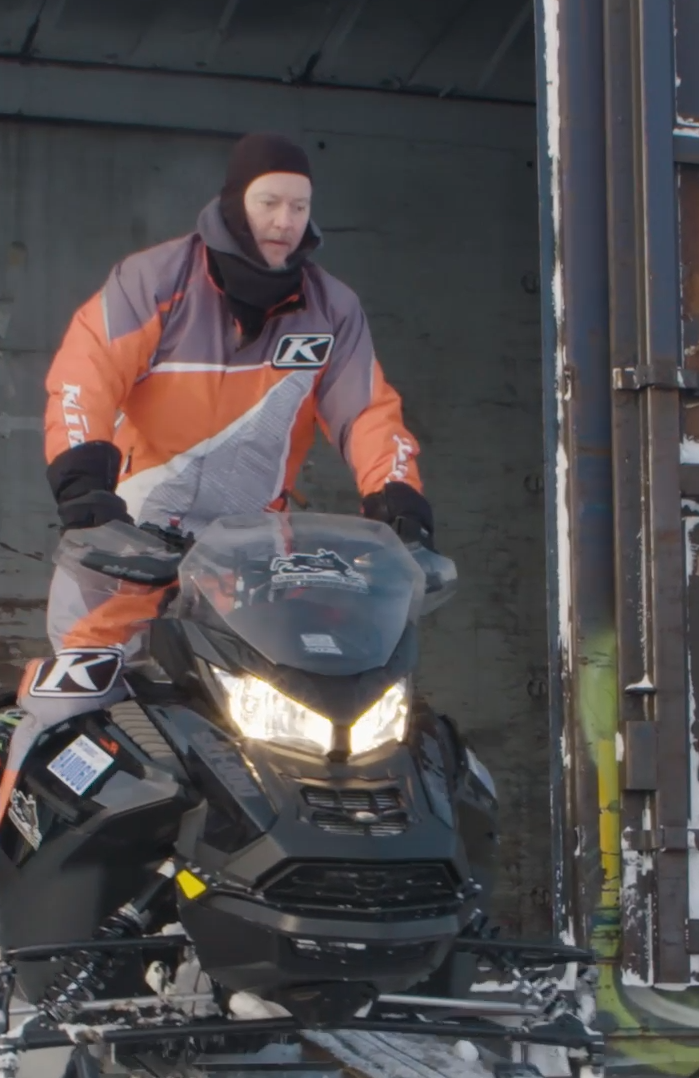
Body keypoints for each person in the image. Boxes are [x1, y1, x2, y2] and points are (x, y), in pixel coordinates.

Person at [26, 132, 430, 730]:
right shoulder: (155, 282)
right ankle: (5, 816)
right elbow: (85, 379)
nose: (284, 221)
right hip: (124, 546)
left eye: (299, 206)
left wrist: (400, 503)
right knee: (68, 711)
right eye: (269, 202)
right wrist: (85, 493)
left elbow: (368, 414)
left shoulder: (332, 309)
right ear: (236, 201)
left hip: (251, 565)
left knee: (286, 724)